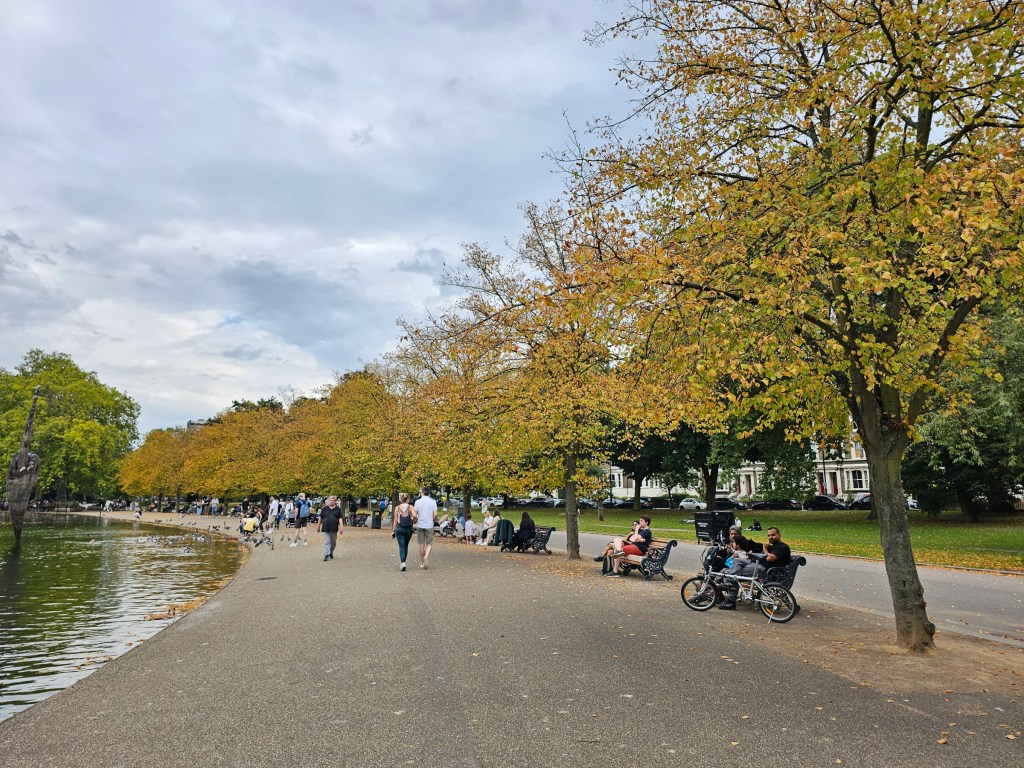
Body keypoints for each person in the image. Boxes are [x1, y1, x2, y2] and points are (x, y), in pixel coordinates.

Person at [719, 526, 791, 610]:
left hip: (765, 569)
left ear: (779, 535)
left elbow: (770, 558)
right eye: (769, 535)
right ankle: (728, 587)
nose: (770, 537)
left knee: (732, 574)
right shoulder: (773, 546)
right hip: (756, 564)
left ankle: (731, 601)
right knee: (736, 561)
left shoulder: (783, 547)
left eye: (773, 535)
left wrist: (765, 548)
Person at [413, 488, 437, 569]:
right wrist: (434, 519)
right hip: (429, 525)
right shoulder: (433, 502)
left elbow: (415, 515)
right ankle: (426, 556)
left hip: (420, 525)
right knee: (429, 543)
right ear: (429, 493)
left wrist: (415, 520)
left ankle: (422, 562)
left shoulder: (417, 502)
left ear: (422, 493)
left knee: (421, 544)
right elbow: (435, 515)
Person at [391, 493, 416, 571]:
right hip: (408, 528)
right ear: (407, 499)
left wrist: (393, 530)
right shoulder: (410, 507)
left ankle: (402, 562)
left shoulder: (397, 508)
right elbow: (415, 515)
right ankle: (404, 561)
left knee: (401, 545)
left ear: (401, 500)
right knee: (406, 545)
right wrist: (412, 520)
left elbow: (395, 520)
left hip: (400, 528)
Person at [317, 495, 344, 561]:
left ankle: (331, 552)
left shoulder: (338, 509)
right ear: (328, 501)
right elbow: (320, 518)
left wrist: (341, 527)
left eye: (332, 500)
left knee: (333, 542)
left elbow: (340, 519)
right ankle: (326, 554)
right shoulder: (324, 509)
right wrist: (318, 526)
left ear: (335, 501)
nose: (331, 501)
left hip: (334, 528)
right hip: (325, 528)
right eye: (330, 500)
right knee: (327, 541)